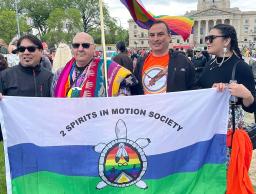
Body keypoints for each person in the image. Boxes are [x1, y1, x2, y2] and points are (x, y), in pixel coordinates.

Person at [52, 32, 137, 98]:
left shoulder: (109, 69)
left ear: (94, 48)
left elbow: (125, 95)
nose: (80, 49)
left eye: (85, 45)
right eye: (76, 45)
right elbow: (53, 102)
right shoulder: (60, 73)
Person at [131, 20, 195, 95]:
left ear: (169, 37)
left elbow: (194, 88)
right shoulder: (140, 62)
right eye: (152, 35)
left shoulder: (182, 61)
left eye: (160, 34)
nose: (156, 39)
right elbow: (134, 90)